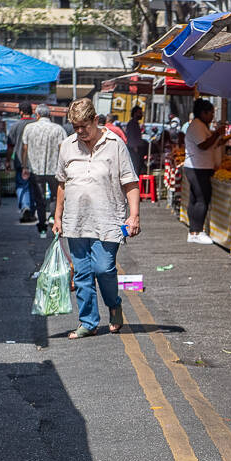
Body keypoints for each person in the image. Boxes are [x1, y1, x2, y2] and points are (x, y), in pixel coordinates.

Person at [53, 98, 141, 339]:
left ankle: (114, 304)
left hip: (108, 219)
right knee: (81, 273)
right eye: (75, 127)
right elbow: (62, 182)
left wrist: (134, 216)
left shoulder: (115, 144)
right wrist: (57, 216)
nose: (80, 132)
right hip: (75, 220)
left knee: (103, 268)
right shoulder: (67, 146)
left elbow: (130, 182)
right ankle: (88, 322)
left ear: (95, 120)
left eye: (84, 126)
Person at [183, 98, 227, 245]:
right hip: (197, 168)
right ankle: (197, 232)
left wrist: (219, 139)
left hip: (200, 166)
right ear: (203, 113)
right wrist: (216, 133)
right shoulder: (197, 125)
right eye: (211, 113)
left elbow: (208, 144)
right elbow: (203, 145)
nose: (213, 116)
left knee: (195, 199)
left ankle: (193, 231)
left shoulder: (201, 125)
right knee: (202, 199)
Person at [21, 104, 66, 238]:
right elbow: (63, 148)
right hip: (54, 169)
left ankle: (42, 226)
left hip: (36, 169)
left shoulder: (29, 128)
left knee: (39, 199)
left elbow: (25, 148)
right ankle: (53, 218)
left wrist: (25, 166)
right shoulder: (58, 129)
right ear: (50, 115)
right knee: (55, 196)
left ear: (37, 115)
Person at [8, 102, 36, 223]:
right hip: (35, 162)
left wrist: (8, 160)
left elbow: (10, 146)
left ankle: (25, 207)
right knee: (34, 187)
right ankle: (31, 210)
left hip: (20, 161)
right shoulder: (36, 125)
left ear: (20, 112)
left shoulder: (15, 126)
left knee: (21, 185)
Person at [124, 106, 148, 171]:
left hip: (137, 149)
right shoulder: (132, 123)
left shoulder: (136, 123)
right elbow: (131, 136)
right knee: (135, 167)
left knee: (138, 166)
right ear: (135, 113)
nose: (141, 115)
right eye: (140, 113)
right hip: (134, 149)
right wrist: (135, 148)